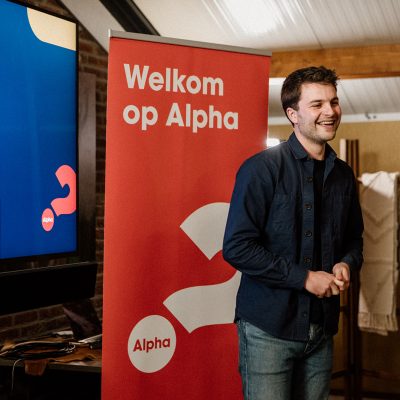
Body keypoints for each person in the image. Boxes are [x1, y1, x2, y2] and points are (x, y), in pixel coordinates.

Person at [223, 66, 363, 400]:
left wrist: (345, 263)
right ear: (293, 114)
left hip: (322, 330)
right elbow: (237, 247)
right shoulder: (260, 169)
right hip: (267, 330)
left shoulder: (344, 175)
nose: (330, 111)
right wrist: (305, 278)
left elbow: (354, 240)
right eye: (317, 104)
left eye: (333, 102)